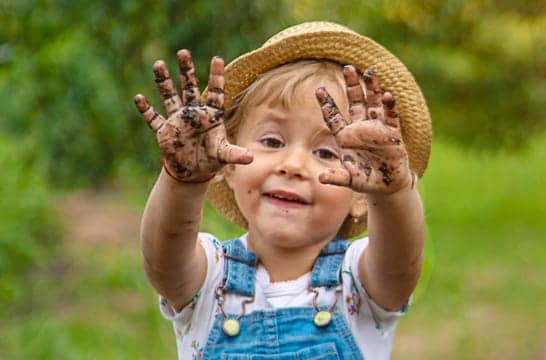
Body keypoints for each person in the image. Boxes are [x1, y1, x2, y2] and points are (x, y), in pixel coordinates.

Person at [133, 21, 433, 359]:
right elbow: (163, 264)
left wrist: (392, 194)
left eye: (325, 153)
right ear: (229, 164)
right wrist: (181, 181)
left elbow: (401, 264)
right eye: (272, 141)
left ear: (362, 196)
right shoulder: (209, 275)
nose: (292, 164)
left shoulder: (360, 282)